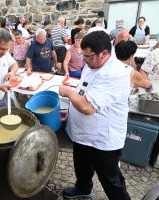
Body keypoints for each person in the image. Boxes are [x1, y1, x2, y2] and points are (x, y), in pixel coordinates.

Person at [59, 31, 131, 200]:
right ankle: (83, 189)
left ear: (104, 53)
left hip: (102, 138)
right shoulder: (93, 64)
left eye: (88, 57)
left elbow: (88, 107)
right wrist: (69, 111)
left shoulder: (113, 73)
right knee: (82, 166)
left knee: (111, 179)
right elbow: (83, 91)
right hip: (84, 134)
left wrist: (68, 93)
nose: (85, 61)